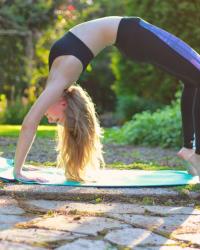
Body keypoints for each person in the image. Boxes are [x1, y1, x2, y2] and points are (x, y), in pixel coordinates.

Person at [13, 16, 200, 183]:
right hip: (133, 35)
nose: (51, 120)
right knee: (195, 77)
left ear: (64, 104)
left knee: (192, 81)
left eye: (56, 120)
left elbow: (29, 124)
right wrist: (20, 170)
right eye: (57, 121)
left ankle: (189, 150)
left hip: (133, 34)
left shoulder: (58, 80)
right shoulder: (60, 79)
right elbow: (30, 124)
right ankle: (194, 153)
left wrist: (18, 171)